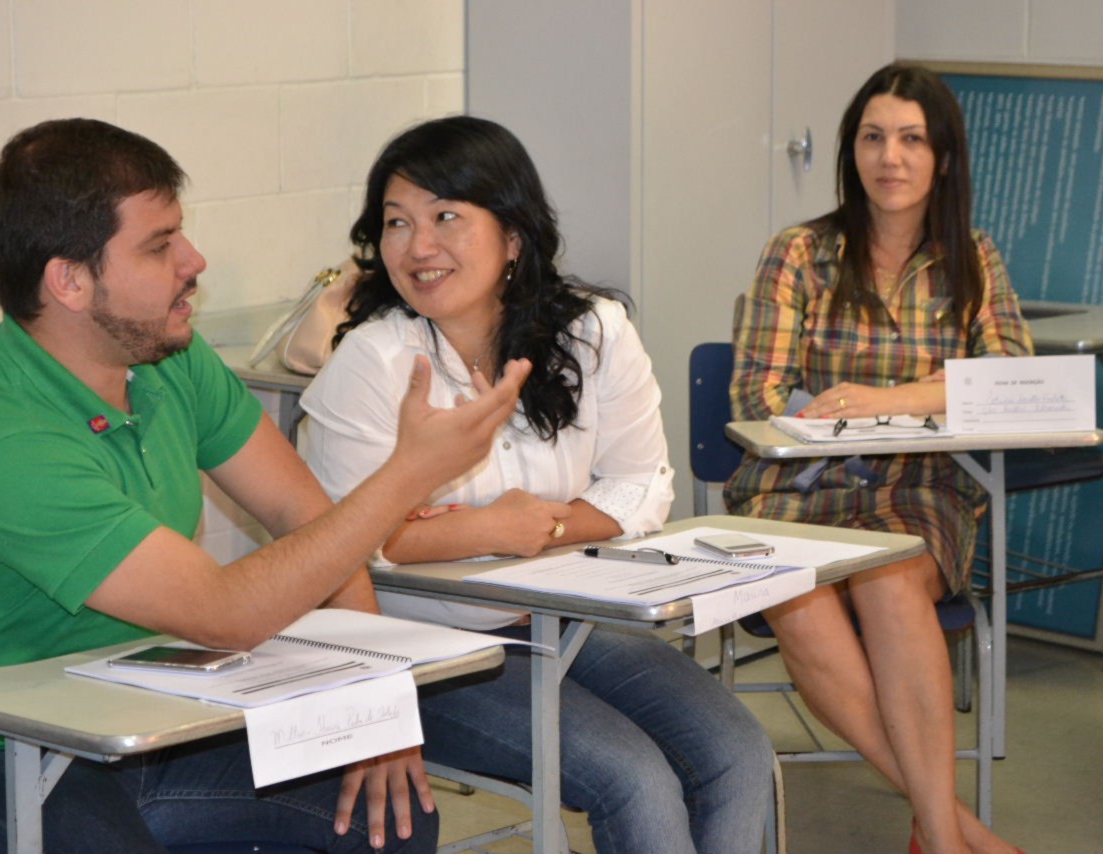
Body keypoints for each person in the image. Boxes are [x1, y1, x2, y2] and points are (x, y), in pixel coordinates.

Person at [0, 118, 532, 854]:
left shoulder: (165, 356)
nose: (194, 261)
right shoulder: (7, 447)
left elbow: (304, 516)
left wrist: (378, 709)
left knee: (390, 820)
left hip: (140, 716)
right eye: (159, 246)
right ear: (70, 280)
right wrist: (408, 474)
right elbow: (225, 613)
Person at [301, 115, 775, 854]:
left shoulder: (593, 331)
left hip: (570, 619)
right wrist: (487, 529)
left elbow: (641, 486)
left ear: (513, 236)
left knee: (739, 750)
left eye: (446, 217)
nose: (418, 247)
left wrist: (538, 528)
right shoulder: (371, 363)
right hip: (427, 645)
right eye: (397, 222)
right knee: (633, 778)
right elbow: (340, 547)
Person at [725, 64, 1031, 854]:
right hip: (798, 487)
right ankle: (952, 831)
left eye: (911, 139)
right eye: (872, 137)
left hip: (921, 488)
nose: (889, 157)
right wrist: (933, 393)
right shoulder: (800, 252)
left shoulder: (974, 258)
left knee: (890, 577)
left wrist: (879, 400)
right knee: (798, 595)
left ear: (943, 158)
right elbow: (758, 395)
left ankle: (940, 830)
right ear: (850, 151)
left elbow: (1010, 381)